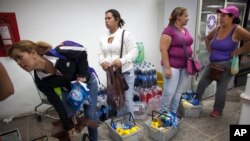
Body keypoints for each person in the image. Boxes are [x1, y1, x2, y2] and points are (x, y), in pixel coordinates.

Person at [7, 40, 99, 141]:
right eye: (16, 61)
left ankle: (94, 139)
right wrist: (69, 127)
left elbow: (82, 51)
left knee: (90, 115)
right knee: (67, 118)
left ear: (32, 53)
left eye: (19, 57)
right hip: (68, 89)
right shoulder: (41, 81)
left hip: (88, 83)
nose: (18, 63)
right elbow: (57, 104)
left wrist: (81, 75)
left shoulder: (59, 52)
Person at [196, 6, 250, 118]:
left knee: (221, 88)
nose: (221, 17)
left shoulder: (237, 29)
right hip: (212, 64)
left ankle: (217, 110)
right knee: (201, 84)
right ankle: (196, 103)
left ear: (232, 17)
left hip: (226, 65)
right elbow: (207, 38)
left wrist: (238, 51)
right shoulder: (218, 28)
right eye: (221, 15)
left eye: (224, 15)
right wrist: (211, 52)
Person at [98, 9, 138, 117]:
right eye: (105, 19)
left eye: (109, 18)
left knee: (127, 99)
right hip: (112, 74)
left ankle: (130, 124)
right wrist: (102, 62)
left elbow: (134, 52)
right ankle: (121, 123)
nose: (106, 21)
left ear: (117, 19)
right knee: (117, 99)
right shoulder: (103, 38)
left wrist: (121, 61)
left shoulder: (125, 34)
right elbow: (100, 53)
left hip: (125, 72)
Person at [159, 7, 193, 114]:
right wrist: (167, 68)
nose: (188, 18)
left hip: (185, 65)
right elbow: (163, 49)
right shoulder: (168, 30)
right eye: (186, 16)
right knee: (169, 91)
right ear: (178, 17)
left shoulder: (185, 30)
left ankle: (173, 113)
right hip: (172, 66)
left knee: (178, 91)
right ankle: (163, 114)